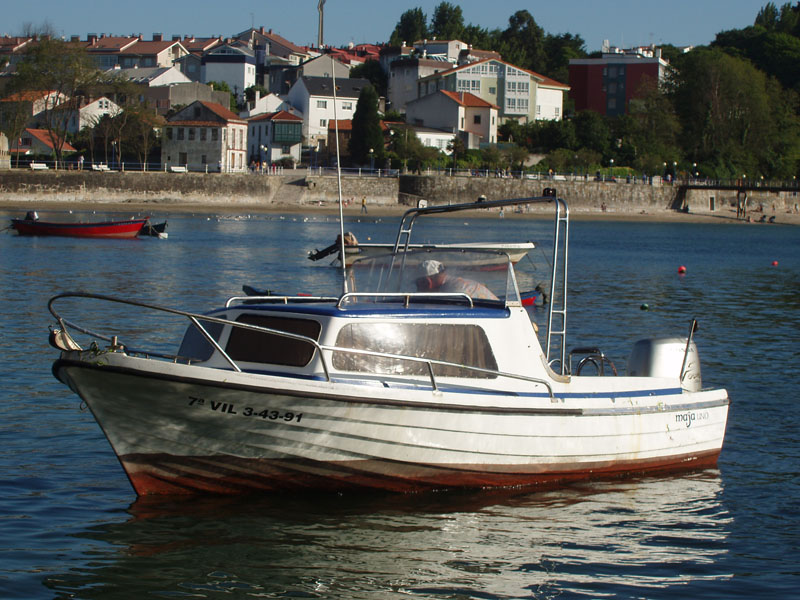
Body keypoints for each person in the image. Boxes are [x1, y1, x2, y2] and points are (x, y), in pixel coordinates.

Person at [415, 259, 498, 300]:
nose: (417, 290)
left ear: (427, 282)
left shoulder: (449, 293)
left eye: (418, 285)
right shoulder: (457, 283)